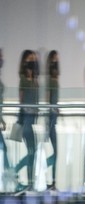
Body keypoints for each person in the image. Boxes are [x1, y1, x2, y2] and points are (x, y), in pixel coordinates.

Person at [16, 50, 39, 191]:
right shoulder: (23, 80)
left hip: (32, 120)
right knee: (32, 150)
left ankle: (31, 181)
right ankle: (17, 170)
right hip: (25, 120)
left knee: (33, 150)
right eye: (30, 60)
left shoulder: (35, 80)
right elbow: (21, 100)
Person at [46, 50, 59, 190]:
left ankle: (53, 182)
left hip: (54, 119)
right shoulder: (50, 80)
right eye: (54, 60)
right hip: (50, 120)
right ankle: (50, 179)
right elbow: (48, 98)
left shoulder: (55, 79)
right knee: (55, 152)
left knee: (56, 152)